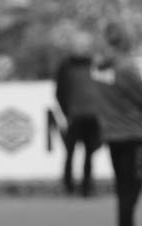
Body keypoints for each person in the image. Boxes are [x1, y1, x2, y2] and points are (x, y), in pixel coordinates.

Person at [91, 22, 142, 226]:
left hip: (112, 133)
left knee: (123, 189)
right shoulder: (126, 68)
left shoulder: (99, 69)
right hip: (133, 133)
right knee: (131, 189)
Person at [54, 31, 103, 197]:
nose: (83, 48)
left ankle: (87, 186)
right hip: (74, 115)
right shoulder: (66, 66)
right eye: (79, 45)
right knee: (70, 151)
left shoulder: (95, 64)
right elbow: (60, 91)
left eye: (85, 45)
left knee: (90, 152)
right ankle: (68, 185)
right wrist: (66, 111)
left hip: (92, 114)